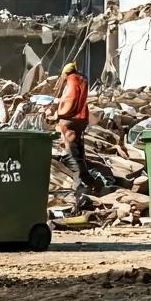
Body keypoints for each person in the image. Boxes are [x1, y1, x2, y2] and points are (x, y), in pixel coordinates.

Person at [54, 62, 93, 212]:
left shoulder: (71, 81)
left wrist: (59, 111)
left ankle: (79, 185)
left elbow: (69, 102)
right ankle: (88, 180)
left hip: (70, 119)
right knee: (79, 149)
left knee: (72, 153)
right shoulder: (82, 80)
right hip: (81, 119)